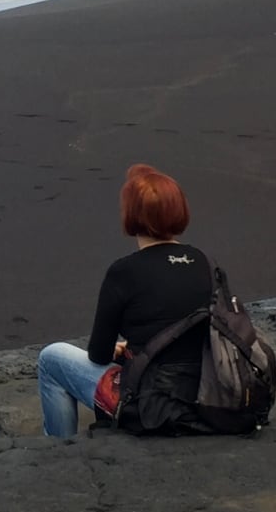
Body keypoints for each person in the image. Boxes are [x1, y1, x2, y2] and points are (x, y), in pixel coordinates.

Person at [37, 164, 215, 438]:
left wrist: (119, 351)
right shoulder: (202, 261)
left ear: (131, 215)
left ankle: (60, 449)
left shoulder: (124, 272)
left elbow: (98, 353)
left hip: (148, 402)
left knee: (51, 359)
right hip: (203, 393)